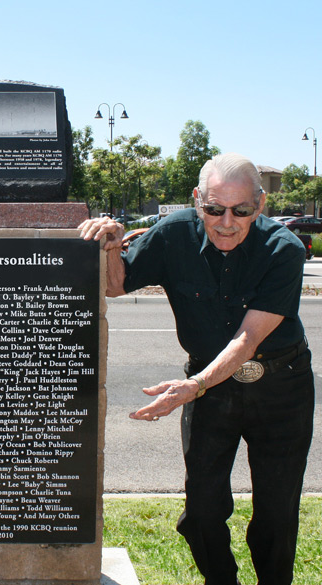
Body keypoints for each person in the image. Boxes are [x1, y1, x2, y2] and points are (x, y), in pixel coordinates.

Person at [80, 153, 314, 585]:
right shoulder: (173, 233)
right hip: (209, 387)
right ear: (196, 200)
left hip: (281, 387)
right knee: (202, 509)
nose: (227, 221)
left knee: (277, 512)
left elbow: (247, 340)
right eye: (213, 209)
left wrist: (193, 386)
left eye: (241, 210)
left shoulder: (284, 249)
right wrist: (111, 246)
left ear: (260, 205)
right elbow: (115, 284)